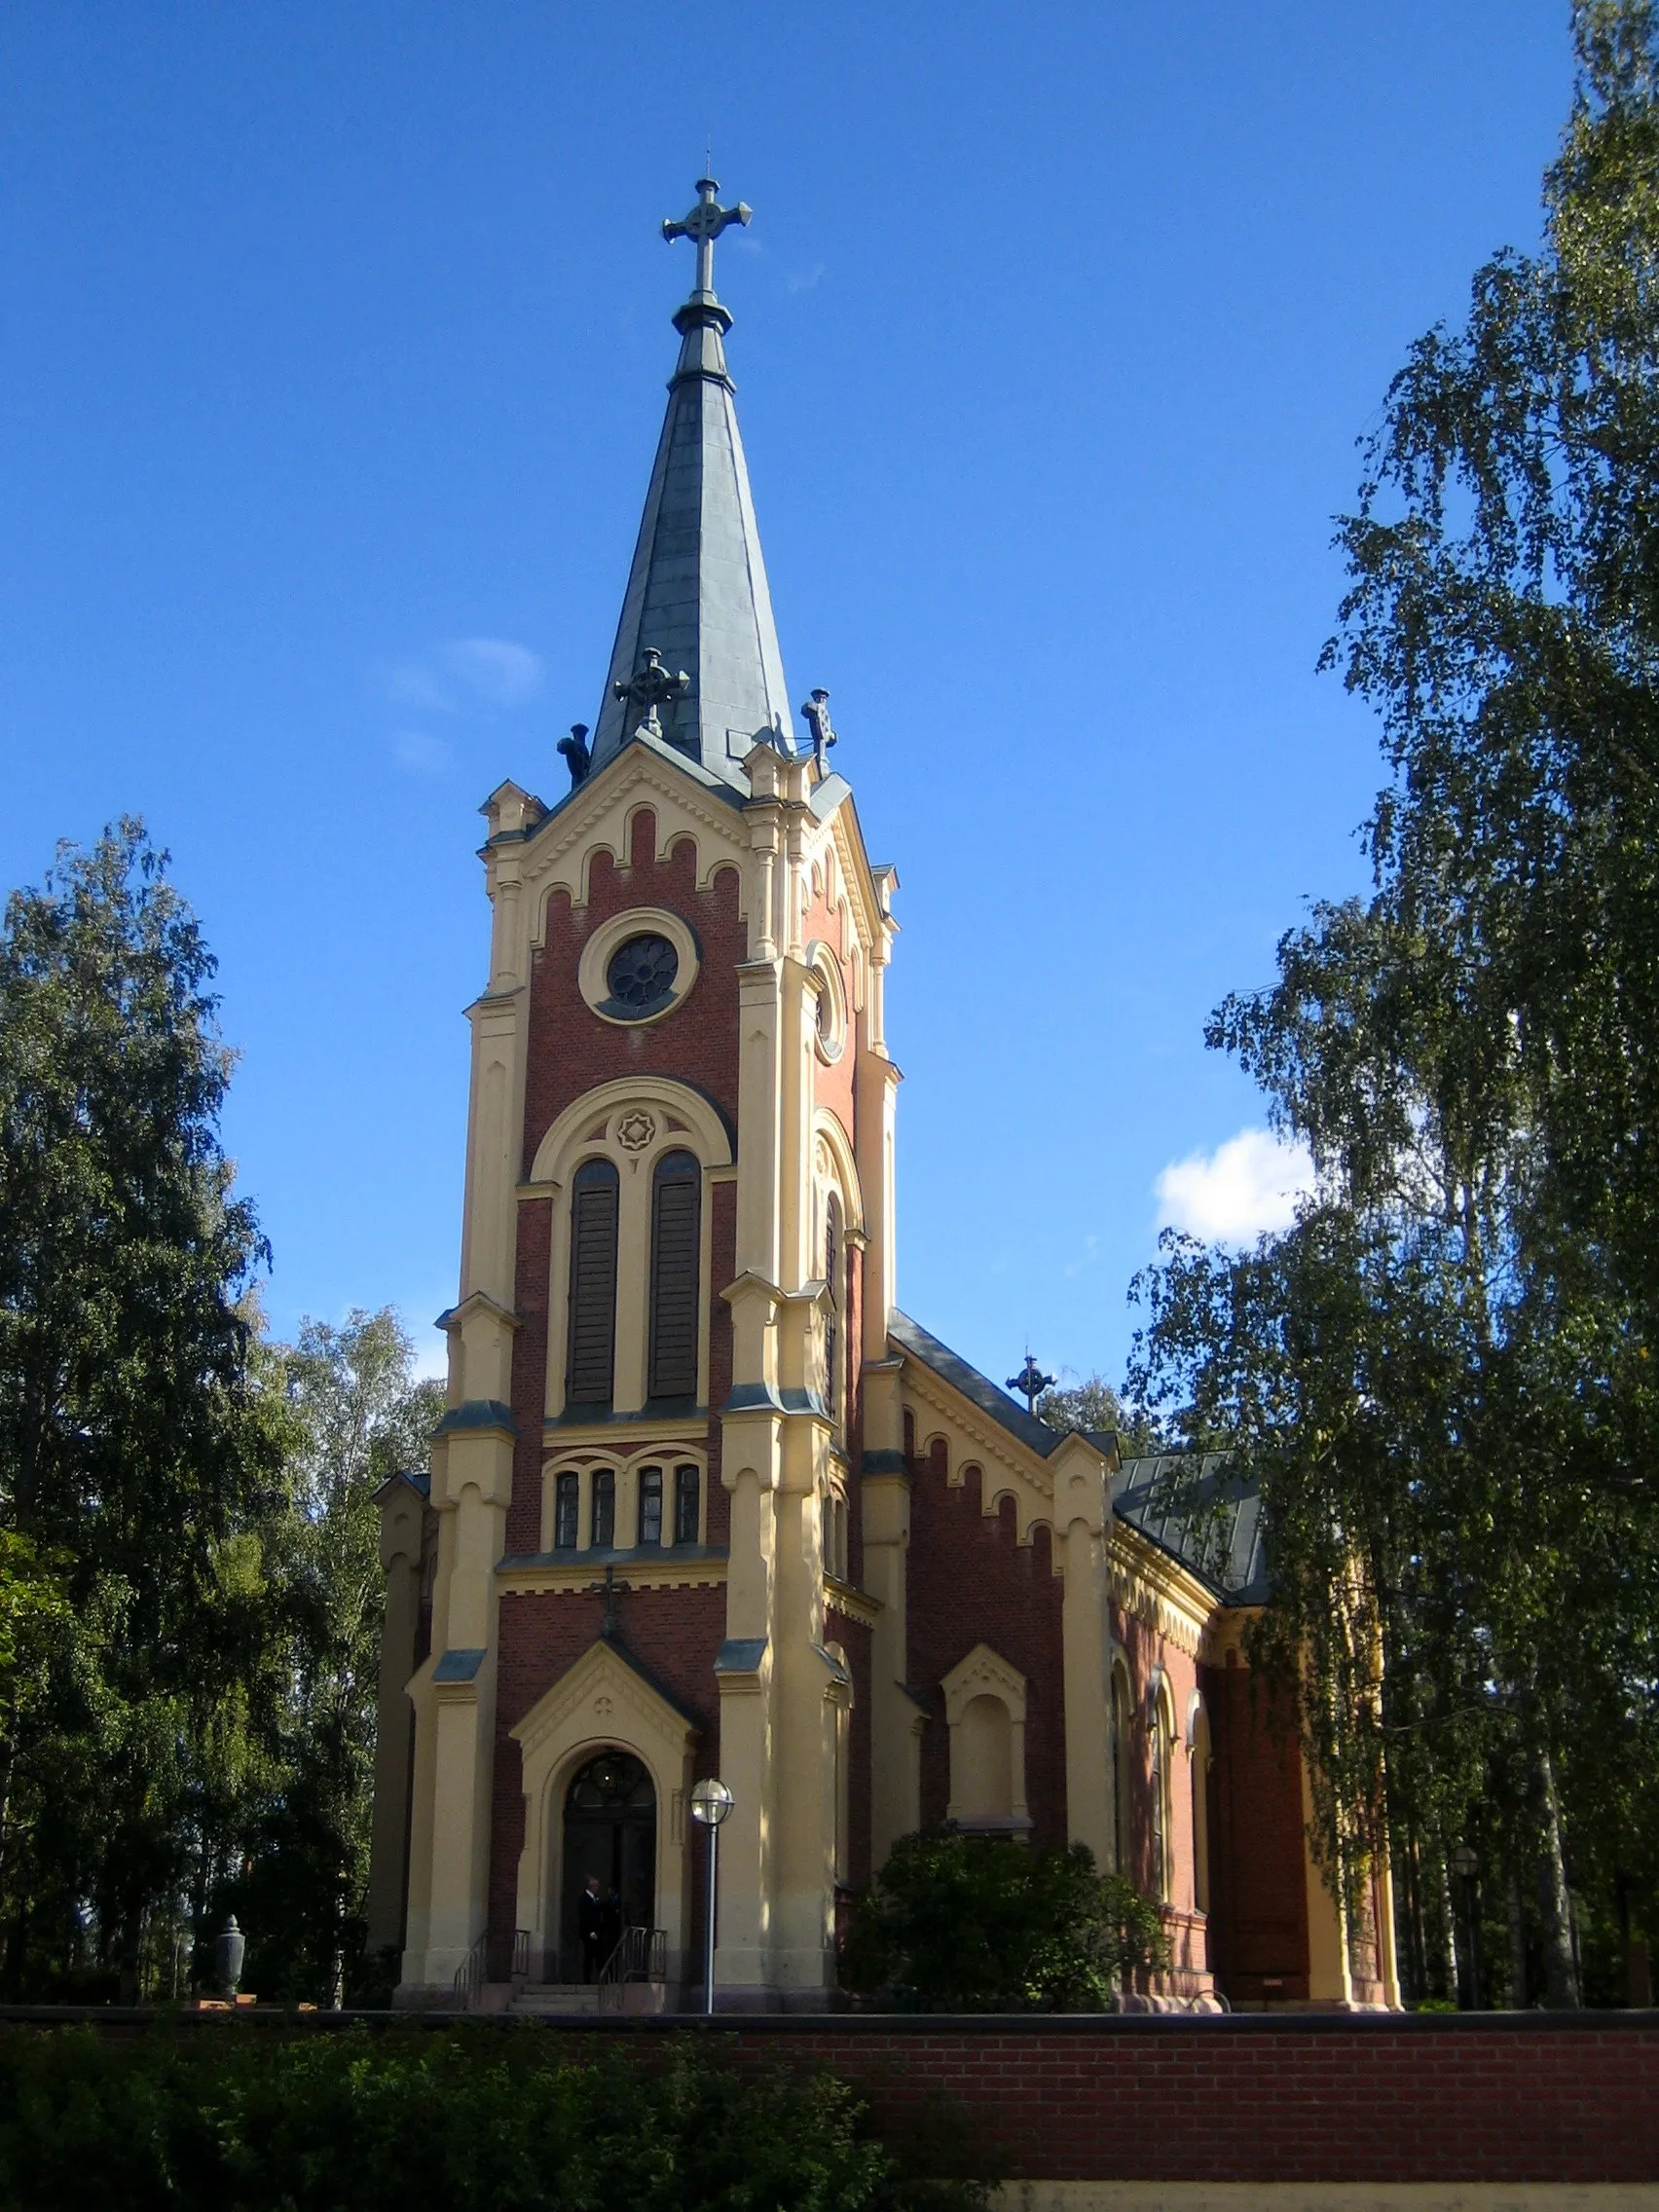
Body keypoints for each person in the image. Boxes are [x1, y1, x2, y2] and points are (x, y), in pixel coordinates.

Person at [578, 1874, 606, 1981]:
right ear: (591, 1887)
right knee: (588, 1958)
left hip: (598, 1932)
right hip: (589, 1933)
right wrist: (590, 1932)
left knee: (599, 1957)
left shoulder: (596, 1898)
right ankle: (587, 1980)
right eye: (596, 1886)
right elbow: (584, 1917)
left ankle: (601, 1979)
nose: (597, 1888)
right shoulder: (584, 1899)